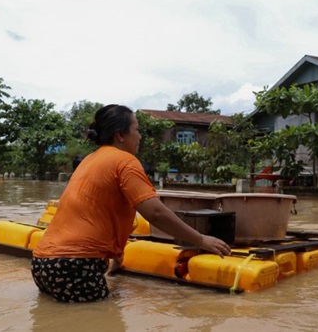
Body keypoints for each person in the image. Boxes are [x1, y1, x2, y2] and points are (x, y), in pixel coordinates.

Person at [31, 104, 231, 303]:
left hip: (42, 263)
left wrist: (116, 256)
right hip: (74, 265)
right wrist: (201, 239)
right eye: (136, 130)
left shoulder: (90, 160)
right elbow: (155, 213)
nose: (140, 136)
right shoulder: (125, 161)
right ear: (120, 135)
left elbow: (98, 209)